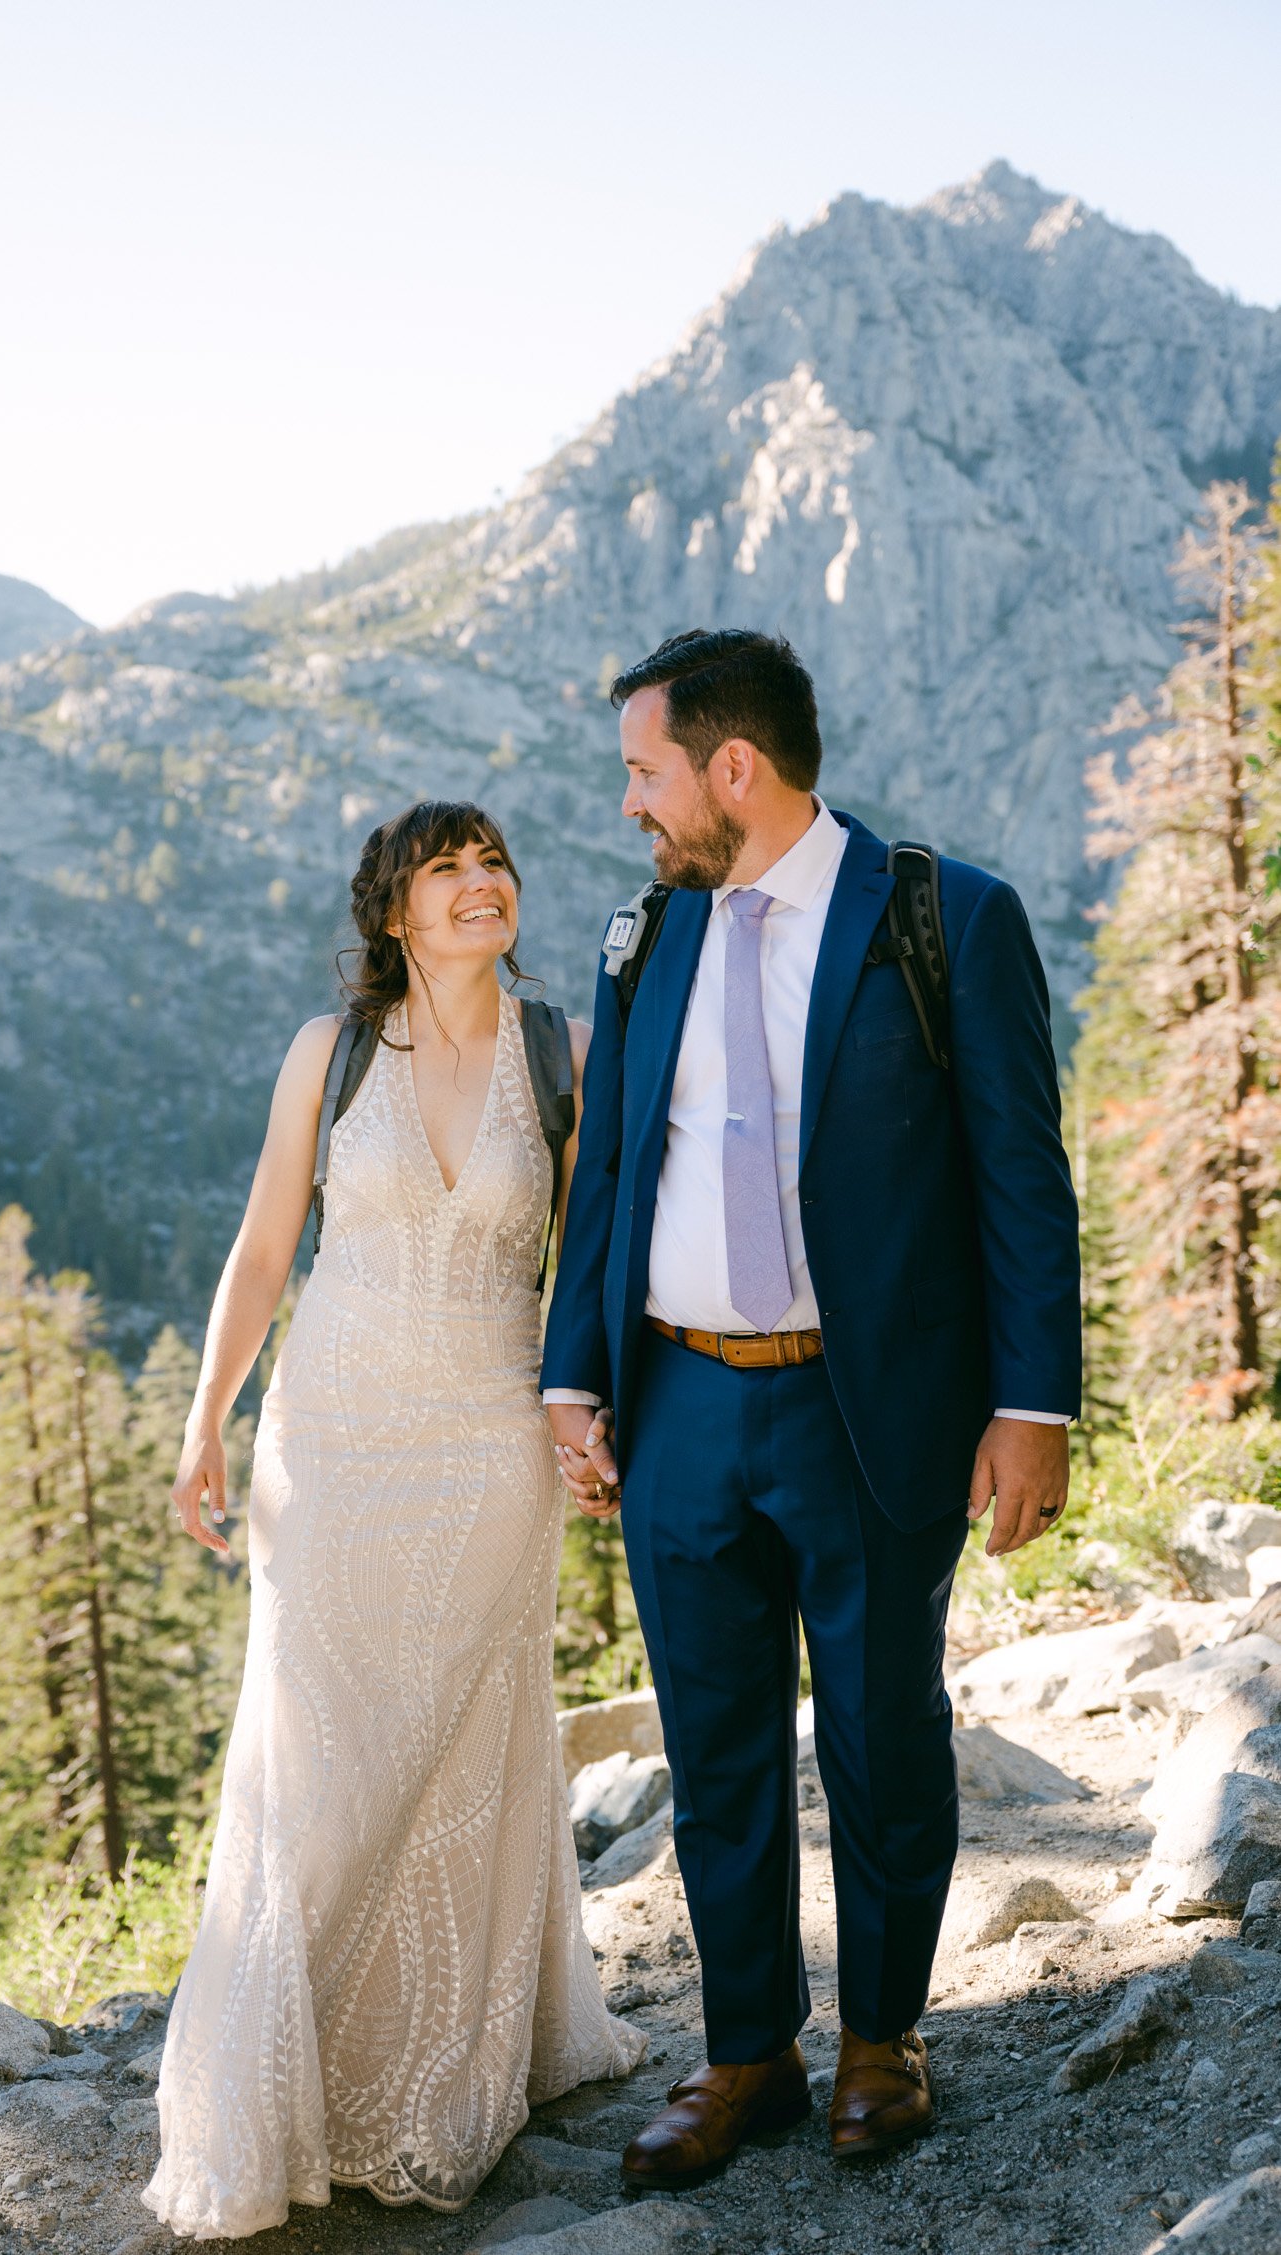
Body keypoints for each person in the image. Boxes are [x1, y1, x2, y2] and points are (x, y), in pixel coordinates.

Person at [543, 629, 1081, 2188]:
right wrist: (572, 1374)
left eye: (647, 772)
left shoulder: (943, 916)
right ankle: (747, 2054)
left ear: (734, 767)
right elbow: (613, 1174)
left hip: (873, 1409)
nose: (633, 805)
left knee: (881, 1733)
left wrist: (1032, 1404)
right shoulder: (642, 938)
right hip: (682, 1410)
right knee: (714, 1755)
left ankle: (882, 2041)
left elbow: (1020, 1180)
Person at [143, 801, 643, 2242]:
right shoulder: (333, 1050)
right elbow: (262, 1243)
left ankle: (430, 2064)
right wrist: (205, 1420)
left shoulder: (567, 1053)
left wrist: (591, 1402)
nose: (483, 886)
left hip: (493, 1437)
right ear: (394, 913)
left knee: (460, 1728)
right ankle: (268, 2079)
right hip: (331, 1437)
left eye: (494, 865)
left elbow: (600, 1249)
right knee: (314, 1745)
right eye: (448, 871)